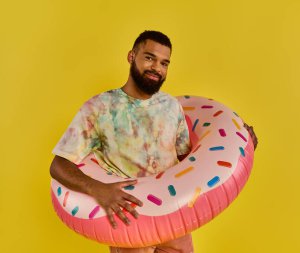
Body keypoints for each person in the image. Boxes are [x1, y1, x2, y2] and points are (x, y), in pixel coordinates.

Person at [50, 30, 258, 253]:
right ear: (131, 56)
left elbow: (189, 158)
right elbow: (58, 165)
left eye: (164, 63)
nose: (157, 68)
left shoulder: (171, 106)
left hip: (174, 221)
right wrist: (99, 189)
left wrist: (240, 144)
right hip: (130, 222)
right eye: (149, 58)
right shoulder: (99, 108)